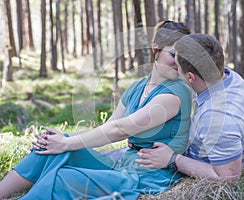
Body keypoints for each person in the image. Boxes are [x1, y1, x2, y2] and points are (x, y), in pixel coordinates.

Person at [0, 21, 192, 200]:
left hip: (149, 175)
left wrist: (66, 144)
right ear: (155, 50)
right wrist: (63, 139)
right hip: (124, 163)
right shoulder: (137, 87)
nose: (179, 62)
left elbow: (119, 130)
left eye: (185, 57)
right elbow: (107, 126)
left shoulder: (175, 94)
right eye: (174, 55)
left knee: (63, 178)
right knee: (48, 149)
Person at [135, 34, 244, 180]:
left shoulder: (218, 119)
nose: (175, 70)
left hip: (216, 166)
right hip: (224, 152)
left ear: (190, 77)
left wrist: (172, 159)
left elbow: (229, 178)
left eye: (178, 67)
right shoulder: (228, 76)